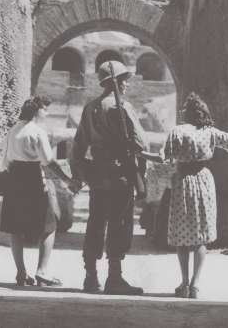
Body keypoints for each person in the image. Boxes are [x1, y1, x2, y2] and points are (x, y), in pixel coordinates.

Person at [143, 92, 228, 299]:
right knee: (200, 237)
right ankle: (195, 285)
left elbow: (163, 158)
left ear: (187, 113)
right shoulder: (210, 132)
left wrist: (138, 153)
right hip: (204, 181)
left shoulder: (177, 131)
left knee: (182, 236)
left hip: (183, 181)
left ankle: (183, 284)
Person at [69, 60, 147, 295]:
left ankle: (90, 278)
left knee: (95, 223)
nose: (126, 84)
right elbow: (141, 143)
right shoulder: (123, 107)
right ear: (117, 83)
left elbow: (78, 146)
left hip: (97, 174)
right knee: (119, 224)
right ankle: (114, 278)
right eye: (124, 80)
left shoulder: (90, 107)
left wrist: (79, 175)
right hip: (120, 174)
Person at [0, 95, 76, 287]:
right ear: (37, 111)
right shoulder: (37, 132)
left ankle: (21, 273)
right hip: (33, 178)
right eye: (44, 109)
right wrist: (67, 180)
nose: (47, 112)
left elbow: (7, 162)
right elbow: (48, 161)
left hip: (14, 179)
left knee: (15, 228)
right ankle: (42, 271)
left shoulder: (12, 130)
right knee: (49, 226)